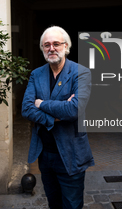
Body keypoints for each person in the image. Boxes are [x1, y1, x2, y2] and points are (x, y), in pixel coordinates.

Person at [22, 26, 94, 209]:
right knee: (53, 203)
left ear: (66, 46)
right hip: (45, 155)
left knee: (72, 204)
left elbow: (73, 109)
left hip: (71, 154)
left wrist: (41, 104)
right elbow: (26, 109)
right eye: (46, 45)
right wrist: (54, 118)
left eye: (56, 44)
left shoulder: (81, 73)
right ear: (42, 48)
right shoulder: (36, 74)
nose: (51, 48)